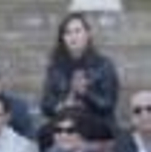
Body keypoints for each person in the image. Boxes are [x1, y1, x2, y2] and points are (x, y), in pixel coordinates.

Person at [40, 12, 119, 142]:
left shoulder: (103, 65)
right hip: (64, 121)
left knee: (80, 132)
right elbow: (46, 105)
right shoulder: (55, 68)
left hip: (96, 122)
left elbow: (108, 104)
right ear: (62, 38)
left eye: (77, 31)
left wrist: (85, 93)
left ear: (88, 34)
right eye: (67, 33)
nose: (73, 37)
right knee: (44, 133)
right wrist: (62, 104)